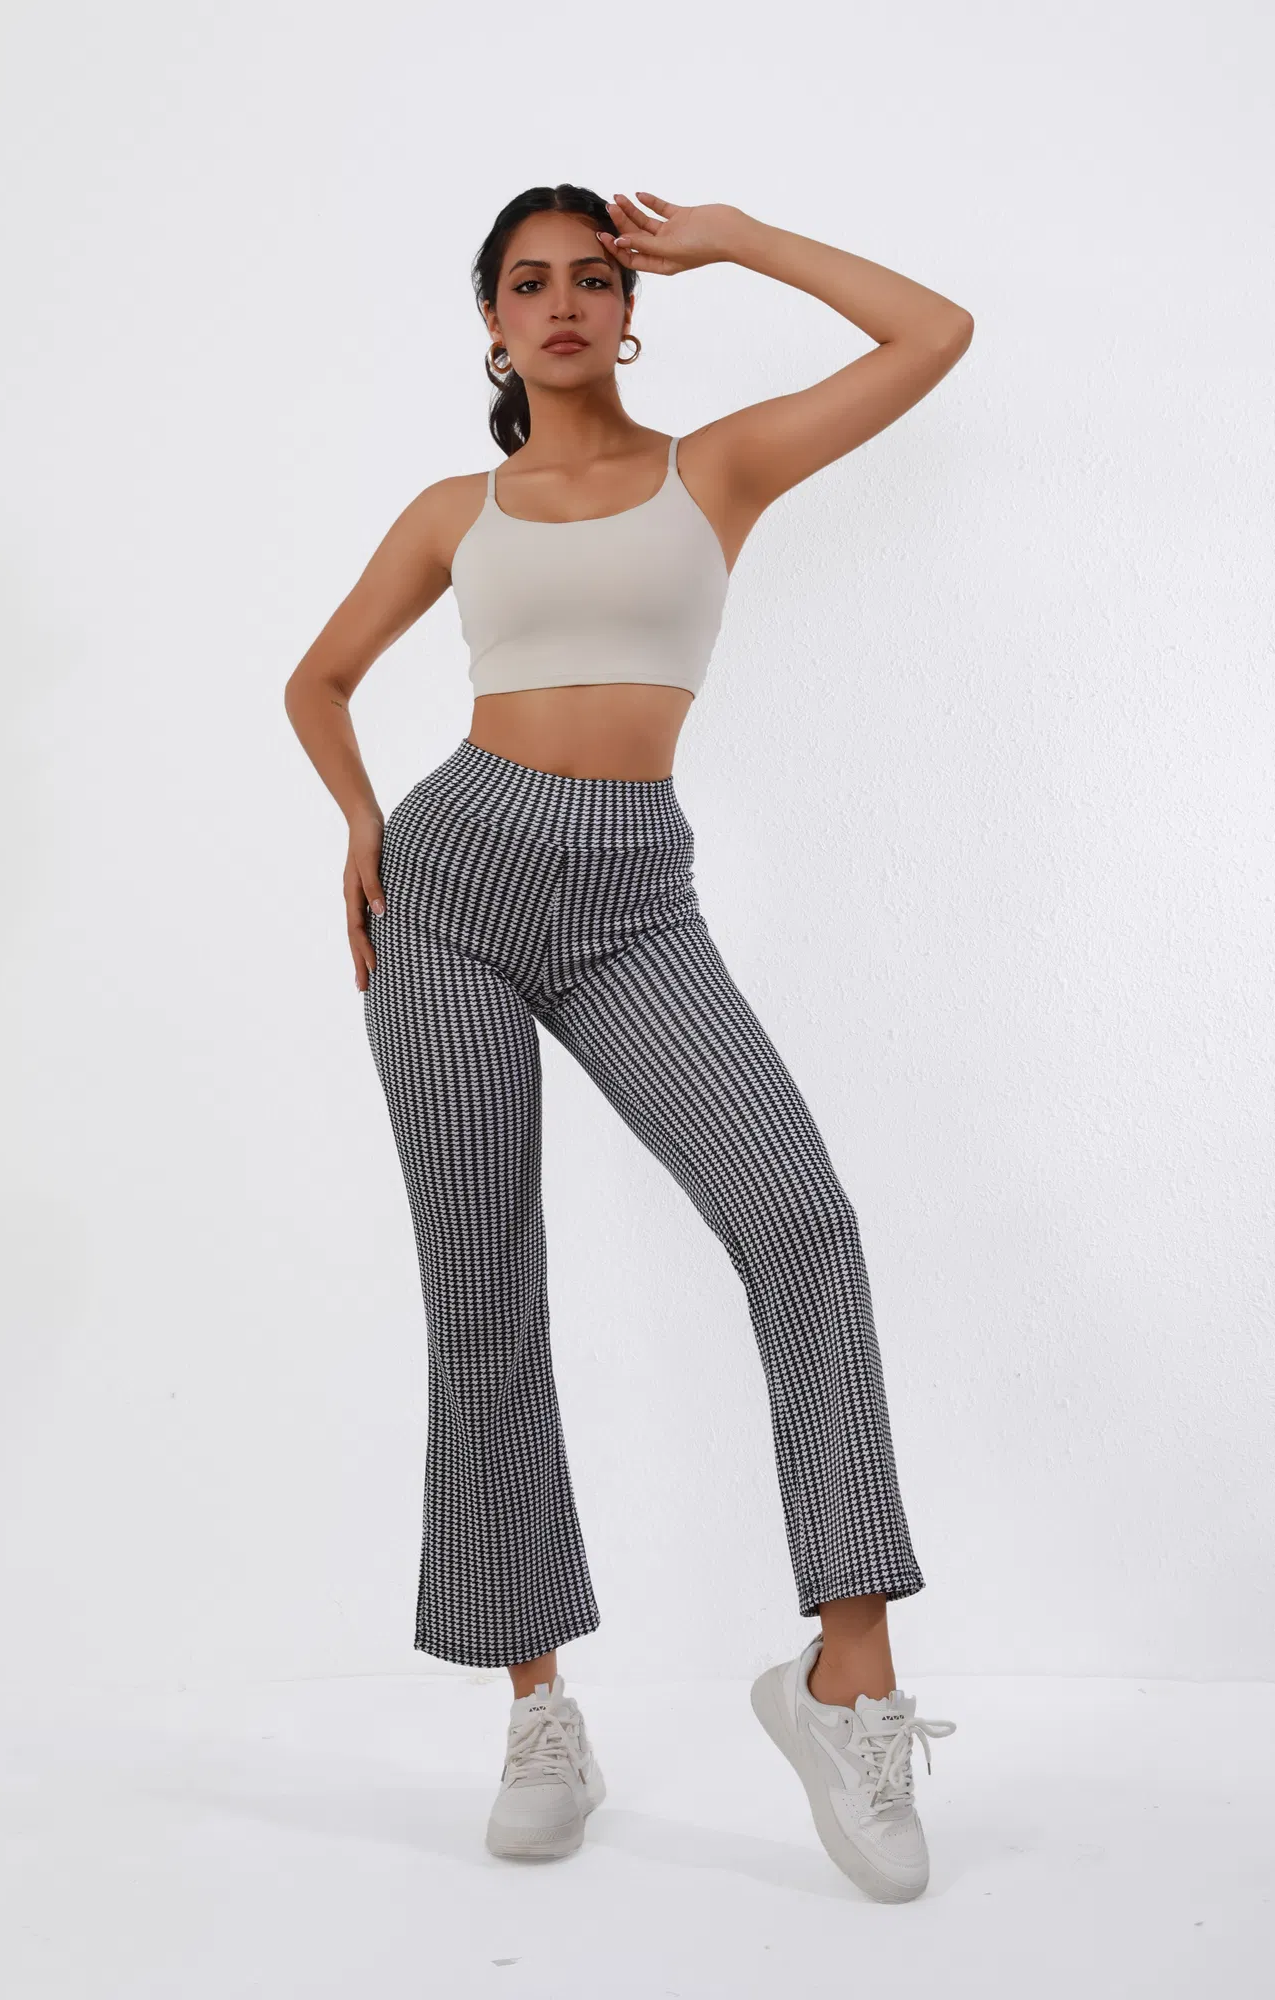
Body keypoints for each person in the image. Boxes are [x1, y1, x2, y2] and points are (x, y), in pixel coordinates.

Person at [284, 184, 970, 1901]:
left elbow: (934, 334)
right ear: (493, 327)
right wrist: (362, 821)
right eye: (530, 284)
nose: (565, 302)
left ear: (631, 308)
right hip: (448, 888)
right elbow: (318, 679)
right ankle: (538, 1713)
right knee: (484, 1286)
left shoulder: (714, 471)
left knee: (801, 1224)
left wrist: (735, 236)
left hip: (631, 897)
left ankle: (847, 1680)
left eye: (594, 276)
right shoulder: (454, 512)